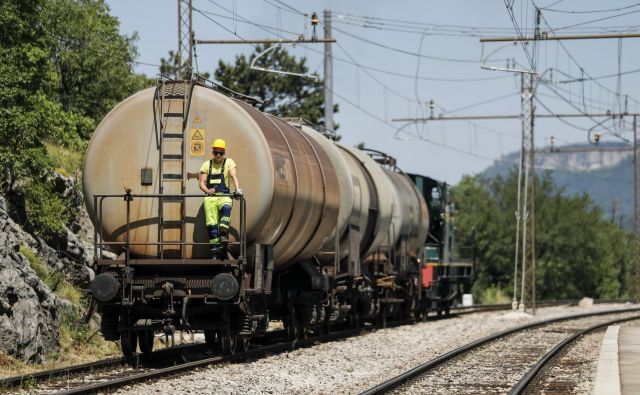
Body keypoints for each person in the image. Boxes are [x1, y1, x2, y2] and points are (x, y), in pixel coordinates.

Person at [199, 138, 242, 258]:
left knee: (227, 207)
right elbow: (201, 182)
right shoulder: (206, 165)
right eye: (216, 152)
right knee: (211, 225)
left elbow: (233, 176)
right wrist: (207, 190)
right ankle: (215, 251)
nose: (218, 155)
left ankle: (223, 234)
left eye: (221, 153)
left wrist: (237, 189)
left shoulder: (229, 162)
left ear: (224, 152)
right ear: (212, 151)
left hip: (224, 195)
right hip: (210, 198)